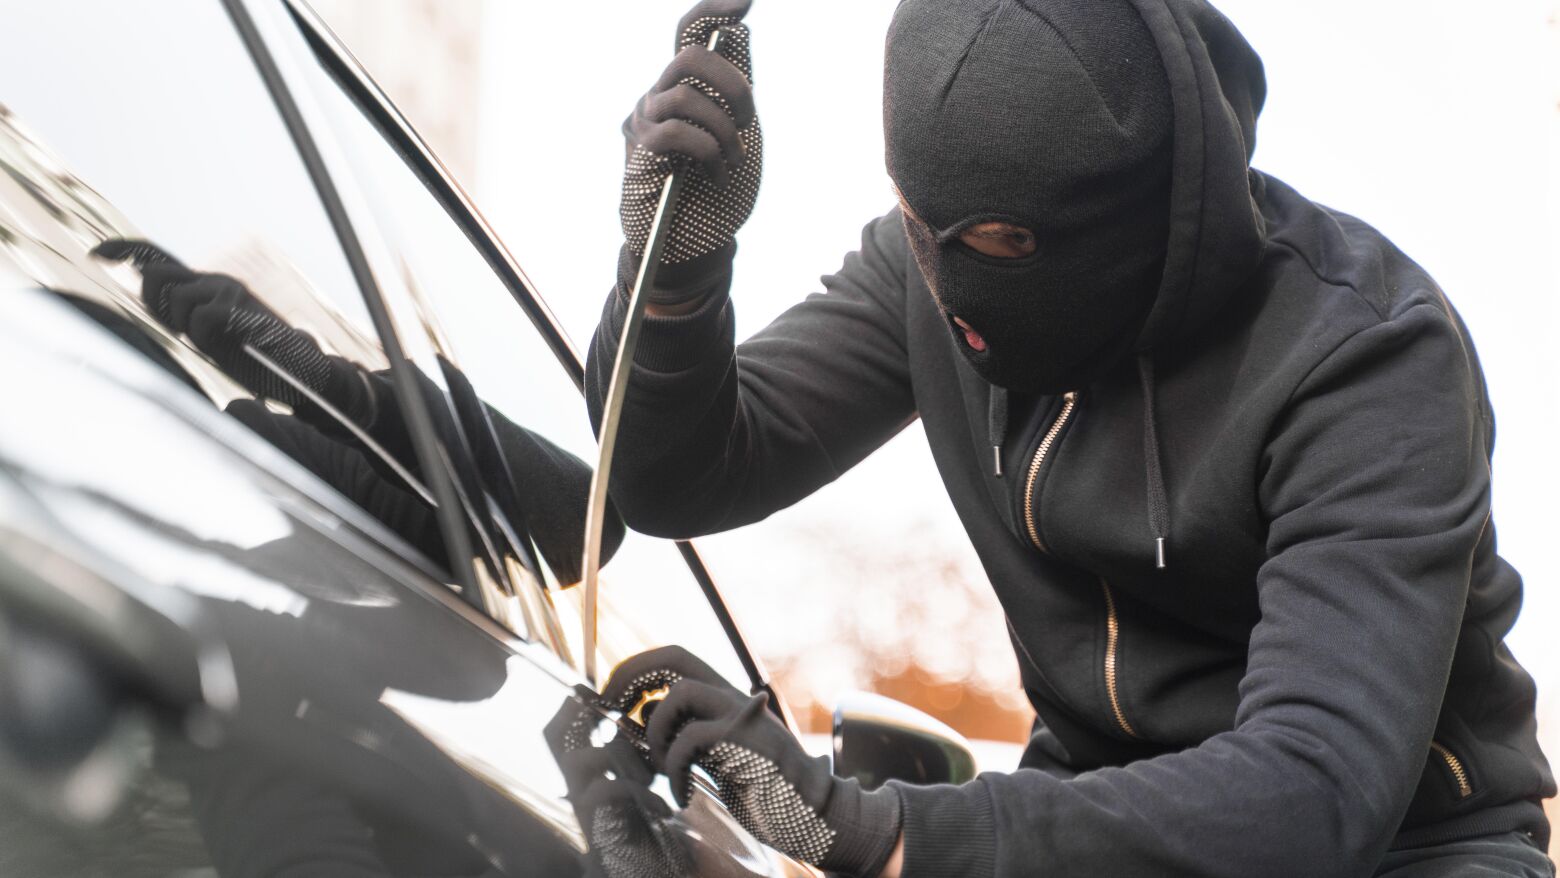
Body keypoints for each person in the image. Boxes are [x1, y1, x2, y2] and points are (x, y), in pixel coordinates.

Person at [586, 0, 1554, 876]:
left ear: (1144, 206)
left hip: (1405, 845)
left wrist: (881, 832)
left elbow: (1319, 785)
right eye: (925, 223)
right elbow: (679, 481)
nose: (955, 285)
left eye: (1004, 241)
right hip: (1086, 811)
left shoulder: (1364, 350)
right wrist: (676, 271)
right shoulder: (920, 271)